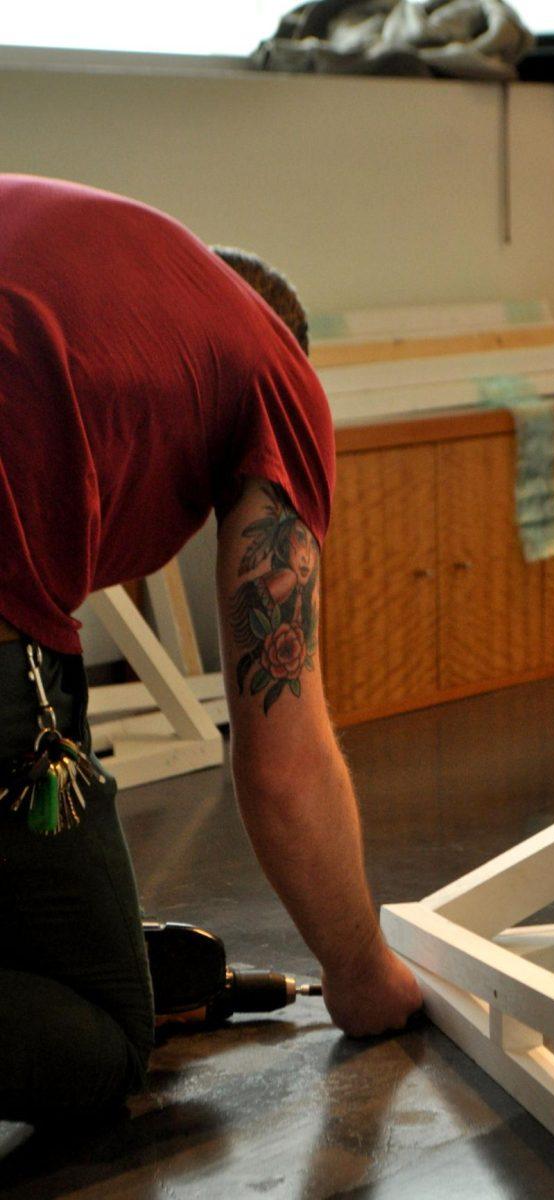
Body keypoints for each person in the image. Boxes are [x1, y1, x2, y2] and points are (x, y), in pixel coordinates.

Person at [0, 174, 422, 1128]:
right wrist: (359, 974)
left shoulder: (112, 257)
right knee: (106, 1038)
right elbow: (284, 759)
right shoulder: (275, 372)